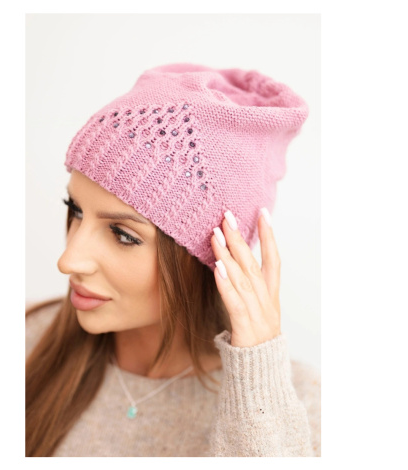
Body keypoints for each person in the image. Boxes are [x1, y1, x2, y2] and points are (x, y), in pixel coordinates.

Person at [25, 63, 321, 457]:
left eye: (122, 235)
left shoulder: (299, 408)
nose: (68, 260)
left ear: (214, 257)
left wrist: (258, 384)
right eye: (75, 210)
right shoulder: (26, 340)